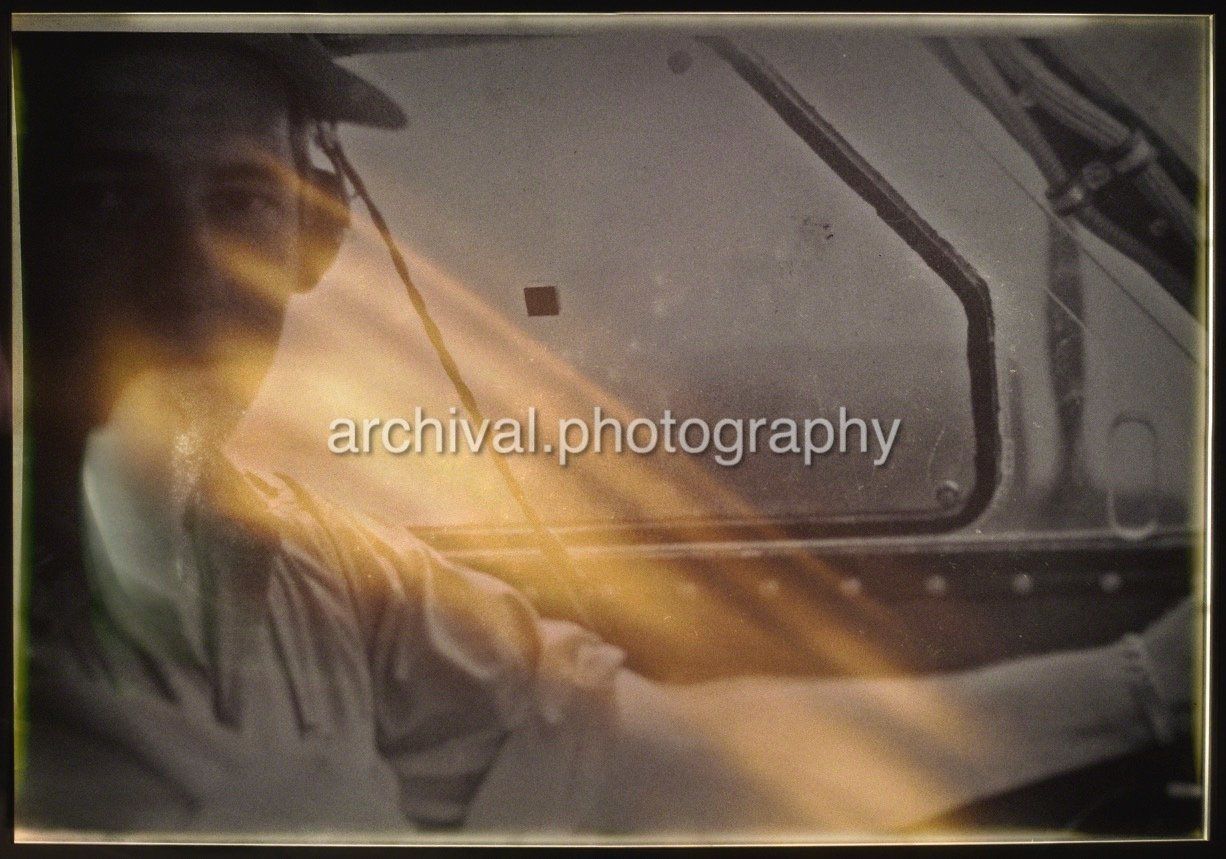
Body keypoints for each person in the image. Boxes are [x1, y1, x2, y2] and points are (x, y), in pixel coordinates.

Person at [12, 32, 1198, 837]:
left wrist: (1150, 685)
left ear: (310, 245)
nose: (182, 281)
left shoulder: (314, 569)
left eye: (240, 206)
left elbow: (639, 752)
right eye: (102, 197)